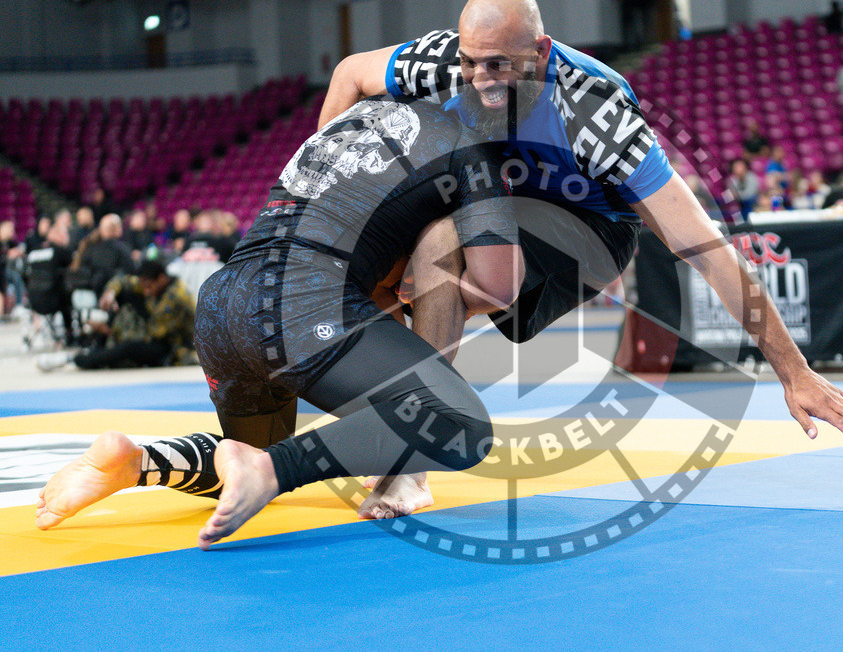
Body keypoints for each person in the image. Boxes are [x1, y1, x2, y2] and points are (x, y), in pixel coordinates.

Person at [320, 0, 843, 507]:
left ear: (539, 52)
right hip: (497, 194)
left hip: (587, 227)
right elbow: (348, 73)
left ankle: (412, 456)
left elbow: (706, 247)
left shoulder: (596, 113)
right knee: (372, 272)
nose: (480, 80)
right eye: (470, 63)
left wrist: (793, 371)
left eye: (498, 66)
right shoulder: (442, 63)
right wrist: (319, 195)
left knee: (439, 255)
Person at [36, 95, 526, 546]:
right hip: (300, 299)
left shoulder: (356, 119)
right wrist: (435, 281)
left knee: (245, 451)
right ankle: (275, 470)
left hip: (223, 303)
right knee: (460, 427)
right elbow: (499, 288)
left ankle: (139, 463)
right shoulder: (473, 150)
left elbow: (352, 70)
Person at [37, 258, 196, 372]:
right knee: (125, 293)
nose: (146, 292)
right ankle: (98, 347)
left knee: (128, 348)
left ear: (161, 279)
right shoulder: (156, 284)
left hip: (171, 346)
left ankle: (77, 359)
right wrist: (110, 294)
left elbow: (153, 332)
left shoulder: (177, 297)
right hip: (153, 329)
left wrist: (110, 330)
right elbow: (123, 281)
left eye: (148, 287)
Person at [67, 213, 135, 296]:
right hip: (112, 298)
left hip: (82, 295)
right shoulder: (122, 249)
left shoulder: (87, 247)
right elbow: (131, 272)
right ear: (118, 229)